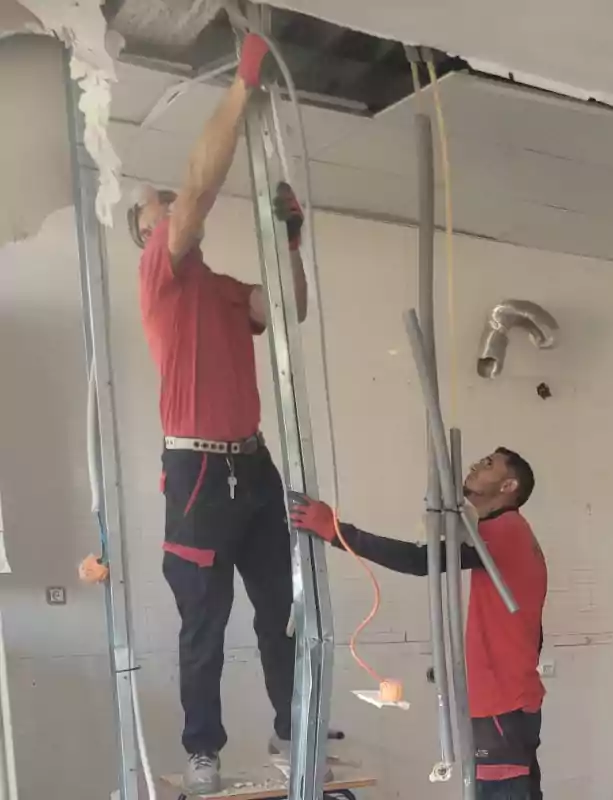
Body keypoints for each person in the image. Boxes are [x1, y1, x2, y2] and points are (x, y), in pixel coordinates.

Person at [131, 34, 315, 794]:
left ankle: (290, 730)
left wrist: (291, 241)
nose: (168, 204)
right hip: (198, 470)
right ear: (148, 234)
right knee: (204, 627)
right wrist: (241, 87)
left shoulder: (228, 288)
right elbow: (198, 192)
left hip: (254, 465)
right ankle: (202, 752)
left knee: (283, 612)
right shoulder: (161, 277)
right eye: (155, 206)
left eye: (164, 202)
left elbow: (289, 306)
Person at [289, 447, 548, 800]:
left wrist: (335, 531)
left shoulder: (505, 530)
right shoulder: (509, 532)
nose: (475, 464)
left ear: (508, 485)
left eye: (489, 464)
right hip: (510, 697)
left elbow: (418, 560)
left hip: (500, 701)